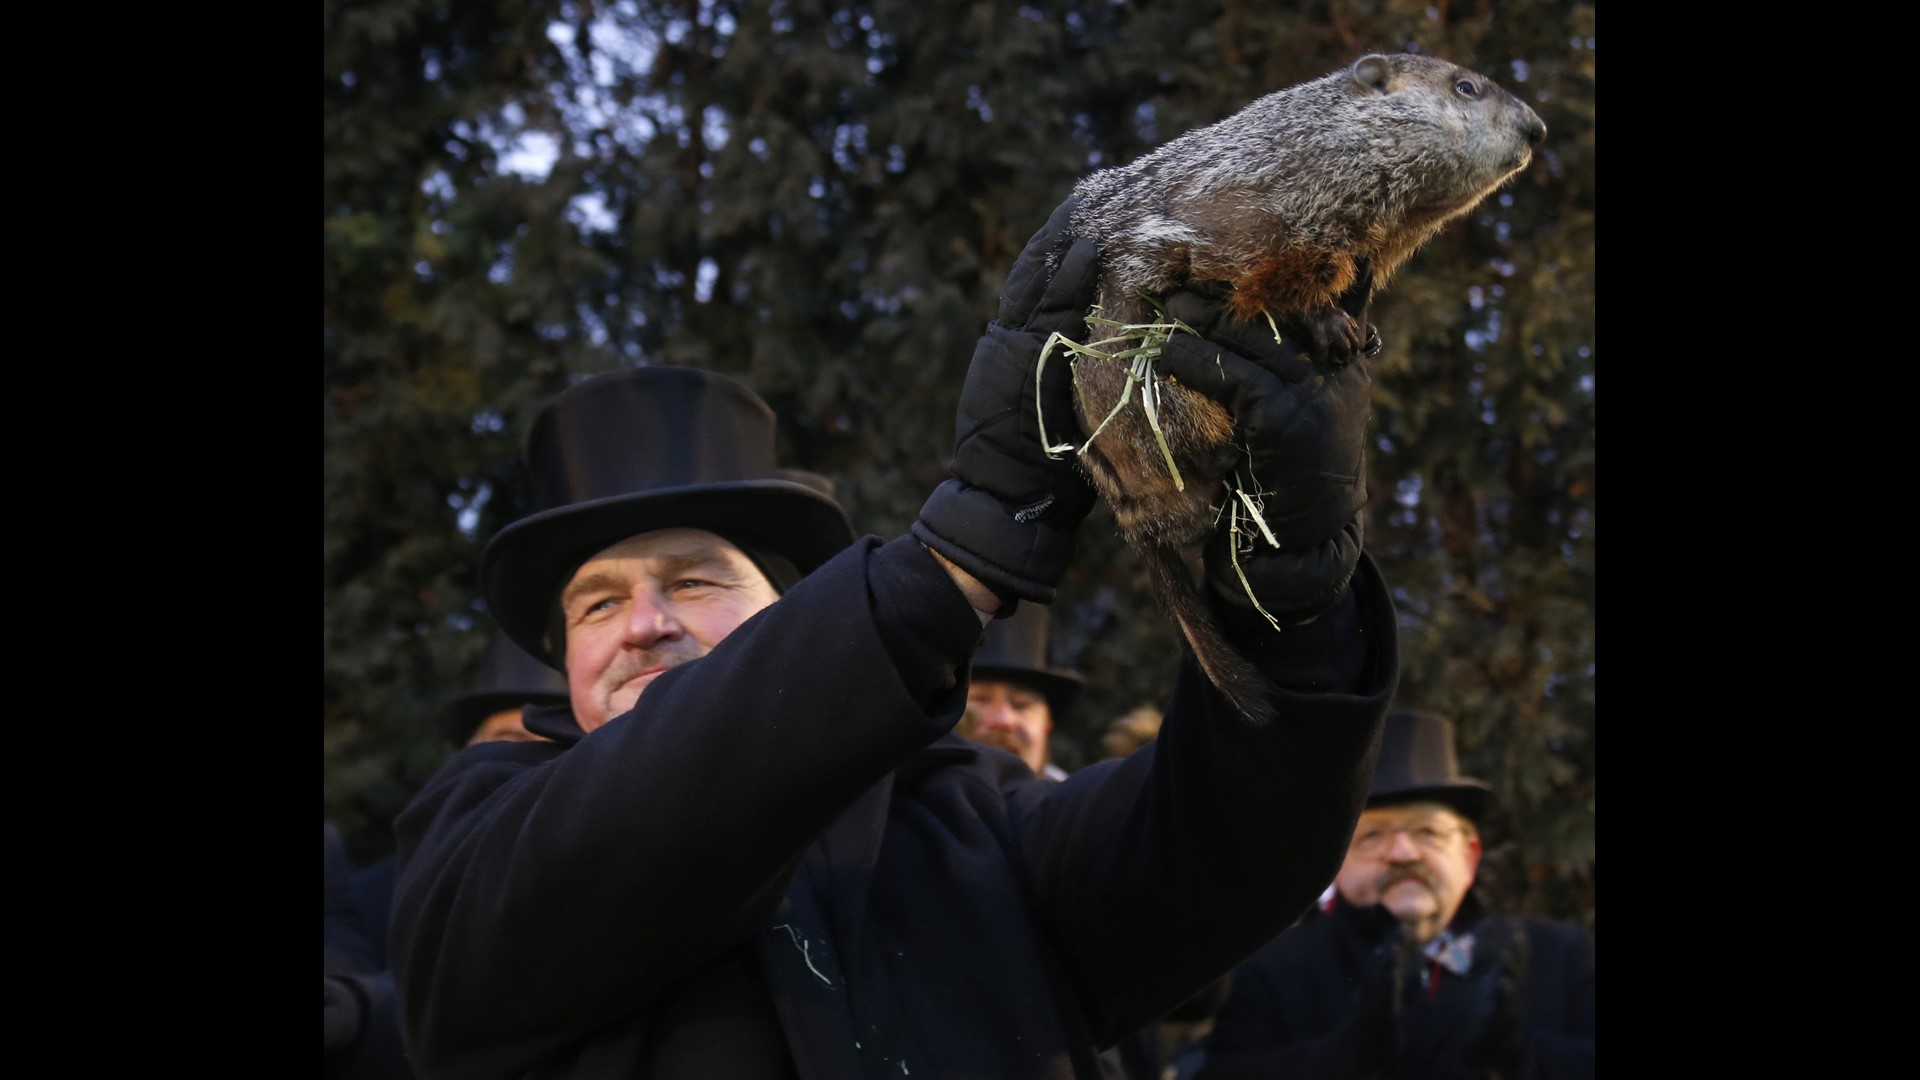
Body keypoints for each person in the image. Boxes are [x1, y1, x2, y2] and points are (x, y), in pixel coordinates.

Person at [388, 197, 1401, 1078]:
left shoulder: (970, 818)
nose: (645, 626)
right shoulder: (478, 825)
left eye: (692, 580)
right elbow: (568, 882)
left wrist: (1288, 609)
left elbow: (1225, 849)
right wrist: (948, 565)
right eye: (597, 604)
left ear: (786, 616)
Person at [1195, 709, 1595, 1080]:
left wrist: (1522, 1058)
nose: (1403, 854)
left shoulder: (1562, 955)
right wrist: (1349, 1054)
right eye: (1373, 835)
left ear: (1470, 855)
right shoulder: (1272, 971)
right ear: (1336, 861)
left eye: (1428, 832)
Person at [325, 631, 573, 1079]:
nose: (528, 758)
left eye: (555, 739)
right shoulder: (369, 898)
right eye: (507, 738)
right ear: (467, 754)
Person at [956, 601, 1084, 780]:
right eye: (980, 700)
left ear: (1047, 724)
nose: (1003, 720)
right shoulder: (906, 800)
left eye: (1021, 705)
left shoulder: (1079, 805)